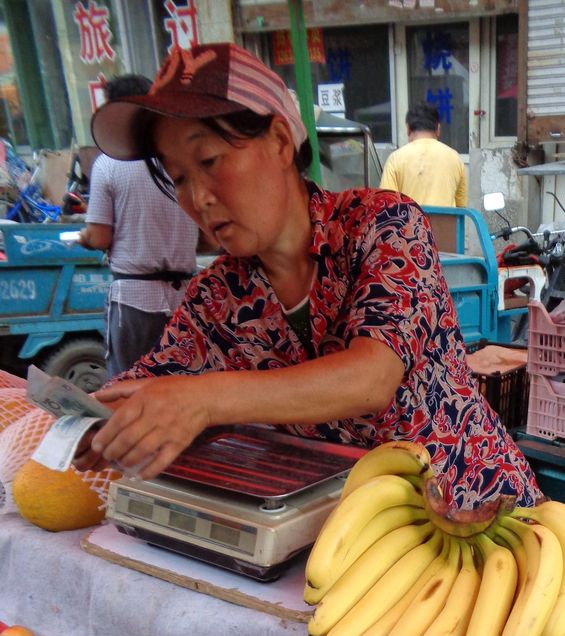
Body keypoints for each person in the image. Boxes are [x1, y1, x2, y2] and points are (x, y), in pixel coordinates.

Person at [81, 43, 538, 509]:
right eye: (178, 177)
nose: (198, 197)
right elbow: (150, 387)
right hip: (350, 540)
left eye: (210, 161)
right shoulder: (216, 299)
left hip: (480, 512)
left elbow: (369, 379)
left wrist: (204, 398)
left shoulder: (385, 225)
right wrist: (86, 422)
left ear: (280, 141)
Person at [79, 75, 199, 377]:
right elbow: (206, 238)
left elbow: (99, 235)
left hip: (134, 300)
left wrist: (84, 237)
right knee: (183, 386)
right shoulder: (179, 160)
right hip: (185, 296)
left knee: (128, 388)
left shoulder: (108, 164)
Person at [379, 102, 467, 209]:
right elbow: (461, 206)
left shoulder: (395, 159)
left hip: (410, 225)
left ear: (408, 130)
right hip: (445, 226)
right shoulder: (455, 158)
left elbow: (387, 205)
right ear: (438, 129)